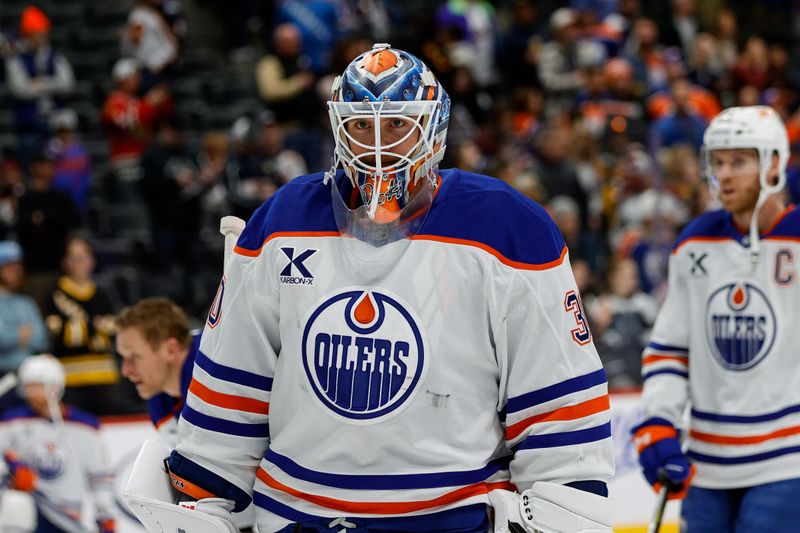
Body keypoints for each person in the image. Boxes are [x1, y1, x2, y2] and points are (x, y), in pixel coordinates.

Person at [158, 44, 614, 533]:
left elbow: (557, 401)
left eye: (397, 124)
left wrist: (563, 512)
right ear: (338, 129)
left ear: (432, 129)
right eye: (360, 125)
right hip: (300, 519)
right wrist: (201, 502)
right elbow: (232, 383)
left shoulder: (509, 229)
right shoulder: (282, 221)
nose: (377, 143)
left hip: (451, 520)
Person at [632, 105, 800, 531]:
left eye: (739, 162)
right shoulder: (695, 242)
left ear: (775, 163)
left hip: (786, 462)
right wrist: (659, 421)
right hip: (706, 466)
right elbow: (669, 350)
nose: (724, 175)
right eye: (718, 162)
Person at [0, 354, 116, 533]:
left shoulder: (86, 426)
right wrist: (13, 465)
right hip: (29, 514)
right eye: (27, 387)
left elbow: (100, 477)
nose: (30, 394)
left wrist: (105, 516)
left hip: (68, 516)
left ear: (55, 386)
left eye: (37, 386)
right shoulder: (13, 421)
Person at [43, 236, 136, 416]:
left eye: (85, 257)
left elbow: (115, 329)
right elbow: (63, 337)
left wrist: (80, 327)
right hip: (70, 377)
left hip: (104, 374)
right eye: (75, 258)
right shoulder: (55, 294)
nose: (81, 263)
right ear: (66, 262)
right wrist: (95, 327)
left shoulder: (102, 293)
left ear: (92, 260)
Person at [115, 297, 198, 445]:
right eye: (123, 358)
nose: (125, 370)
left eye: (134, 357)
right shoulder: (159, 400)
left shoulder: (217, 372)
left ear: (170, 350)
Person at [0, 241, 48, 377]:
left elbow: (41, 339)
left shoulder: (26, 302)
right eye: (8, 266)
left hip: (27, 375)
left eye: (17, 266)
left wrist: (13, 335)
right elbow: (1, 338)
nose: (15, 271)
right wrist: (23, 334)